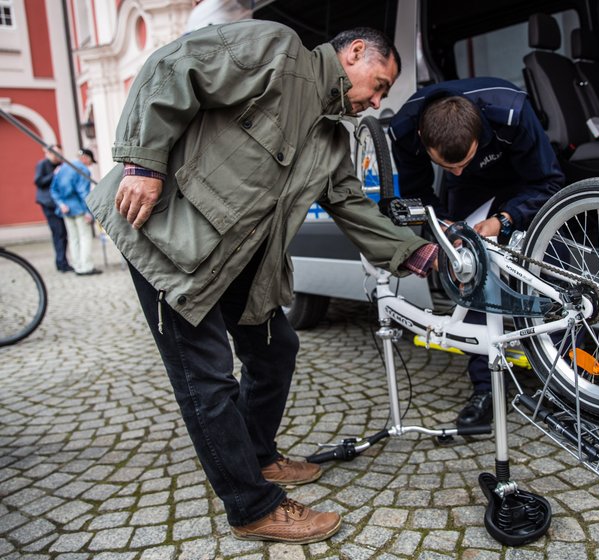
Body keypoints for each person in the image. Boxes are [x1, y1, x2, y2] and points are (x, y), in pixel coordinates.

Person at [86, 21, 436, 544]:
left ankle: (258, 455)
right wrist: (142, 163)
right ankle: (251, 506)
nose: (376, 100)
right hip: (167, 240)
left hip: (240, 262)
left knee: (275, 350)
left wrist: (417, 254)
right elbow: (172, 67)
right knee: (207, 377)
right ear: (355, 53)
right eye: (379, 85)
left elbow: (352, 207)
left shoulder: (332, 139)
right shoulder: (276, 50)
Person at [390, 77, 565, 428]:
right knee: (471, 273)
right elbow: (418, 196)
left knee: (552, 270)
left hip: (524, 179)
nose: (454, 169)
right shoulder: (405, 131)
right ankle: (485, 388)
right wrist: (445, 226)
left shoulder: (511, 112)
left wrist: (505, 219)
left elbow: (549, 182)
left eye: (463, 160)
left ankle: (564, 382)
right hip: (470, 191)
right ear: (424, 141)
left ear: (478, 134)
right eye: (446, 166)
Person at [50, 148, 101, 276]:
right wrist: (88, 212)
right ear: (85, 158)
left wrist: (61, 204)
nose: (90, 165)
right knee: (85, 237)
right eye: (90, 161)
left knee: (73, 238)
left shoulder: (62, 168)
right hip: (80, 209)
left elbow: (53, 189)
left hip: (66, 209)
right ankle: (86, 267)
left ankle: (77, 265)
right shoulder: (82, 170)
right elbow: (83, 192)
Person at [34, 145, 72, 272]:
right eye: (57, 155)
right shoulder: (43, 164)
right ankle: (62, 263)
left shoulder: (59, 165)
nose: (59, 157)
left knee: (62, 234)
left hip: (58, 203)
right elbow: (39, 181)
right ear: (49, 154)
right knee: (59, 233)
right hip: (48, 203)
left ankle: (61, 262)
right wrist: (53, 174)